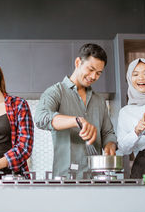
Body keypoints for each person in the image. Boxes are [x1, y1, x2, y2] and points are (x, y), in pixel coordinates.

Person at [34, 43, 117, 179]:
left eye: (98, 73)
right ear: (78, 62)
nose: (93, 76)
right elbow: (41, 118)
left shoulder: (99, 101)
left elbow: (108, 132)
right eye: (90, 69)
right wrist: (76, 120)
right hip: (65, 178)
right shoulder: (56, 92)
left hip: (96, 177)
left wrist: (110, 145)